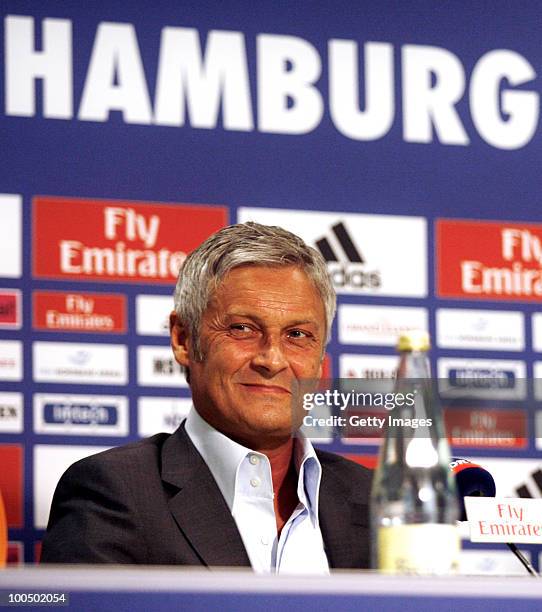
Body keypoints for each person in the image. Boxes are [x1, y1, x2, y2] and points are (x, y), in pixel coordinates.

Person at [41, 222, 372, 571]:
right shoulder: (113, 492)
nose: (272, 359)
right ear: (184, 340)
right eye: (242, 329)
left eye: (297, 334)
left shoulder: (372, 497)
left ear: (321, 357)